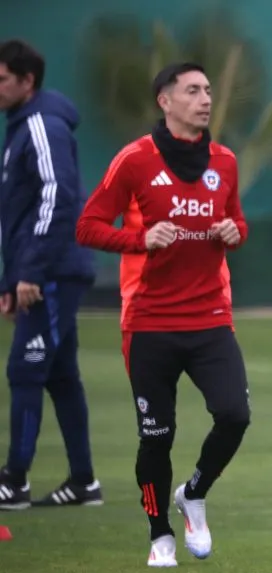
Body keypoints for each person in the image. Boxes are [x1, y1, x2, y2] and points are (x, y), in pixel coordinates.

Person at [76, 62, 251, 568]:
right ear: (165, 101)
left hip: (210, 317)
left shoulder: (225, 161)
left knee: (235, 415)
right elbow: (87, 226)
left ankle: (193, 493)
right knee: (156, 435)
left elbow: (237, 221)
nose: (204, 99)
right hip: (149, 321)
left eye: (208, 90)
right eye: (192, 90)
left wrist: (235, 233)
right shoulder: (134, 160)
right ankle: (160, 534)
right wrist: (138, 239)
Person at [0, 39, 100, 511]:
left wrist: (30, 273)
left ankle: (14, 481)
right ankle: (83, 483)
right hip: (44, 269)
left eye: (1, 79)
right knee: (61, 377)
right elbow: (16, 213)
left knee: (25, 369)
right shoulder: (21, 125)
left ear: (27, 81)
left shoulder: (42, 124)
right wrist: (9, 278)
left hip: (55, 270)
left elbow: (56, 199)